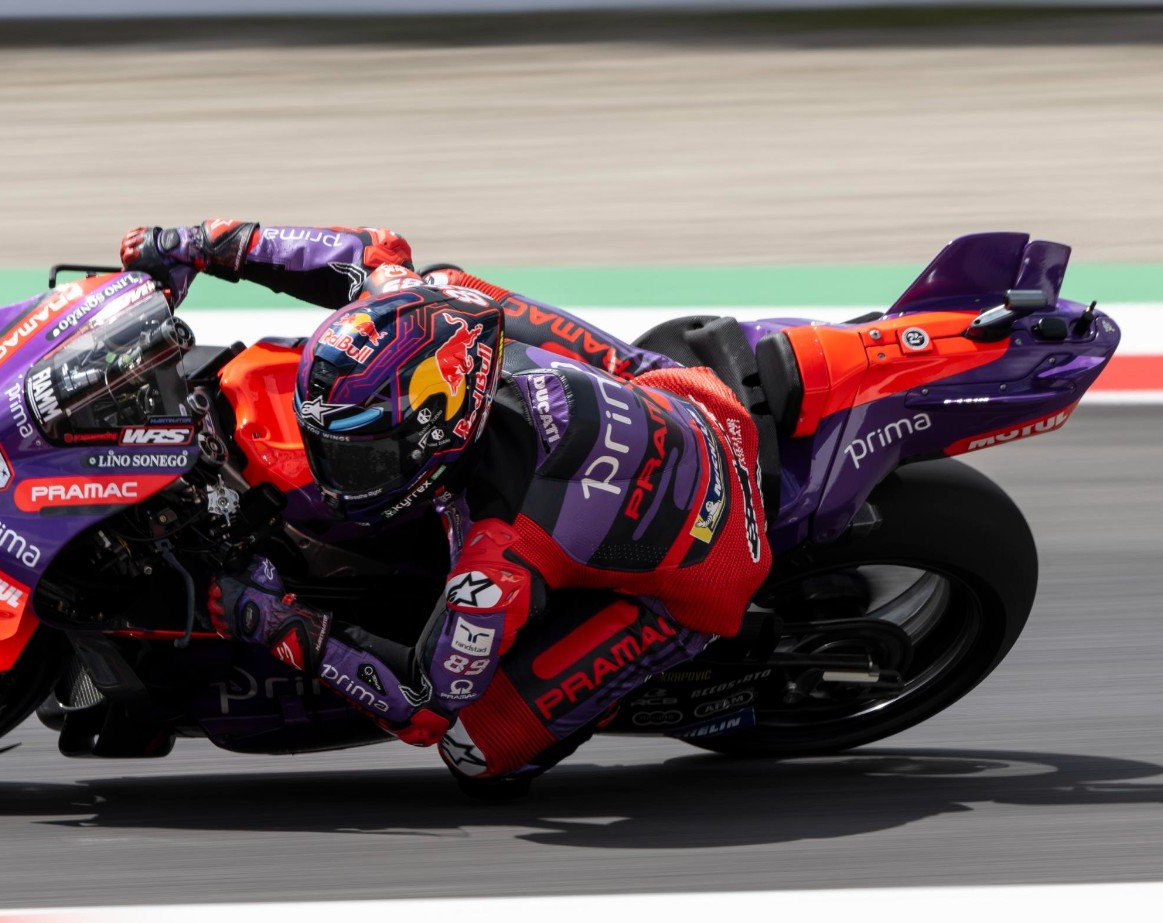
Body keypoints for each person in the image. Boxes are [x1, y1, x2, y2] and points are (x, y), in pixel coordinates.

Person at [122, 221, 772, 795]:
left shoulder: (497, 556)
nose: (340, 474)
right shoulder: (435, 309)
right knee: (447, 278)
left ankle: (630, 674)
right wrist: (201, 244)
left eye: (365, 457)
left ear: (443, 429)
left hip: (705, 570)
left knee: (476, 751)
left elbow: (423, 704)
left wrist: (267, 617)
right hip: (674, 391)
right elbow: (364, 249)